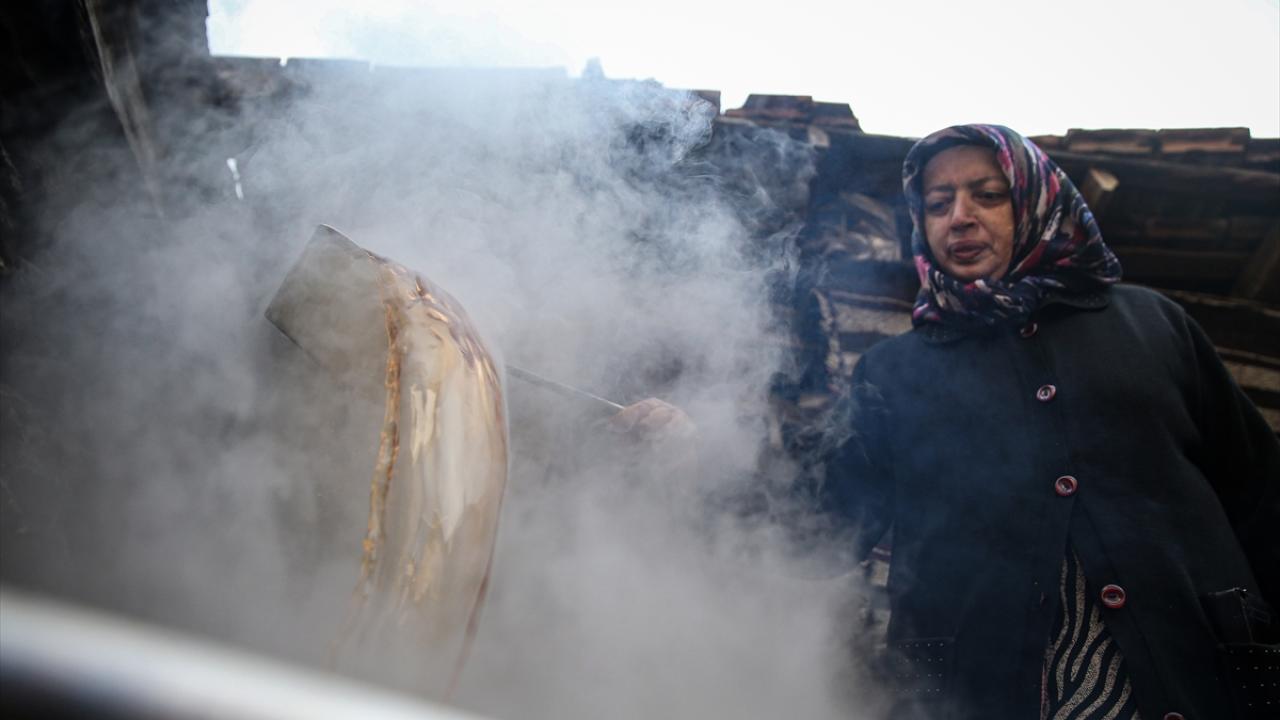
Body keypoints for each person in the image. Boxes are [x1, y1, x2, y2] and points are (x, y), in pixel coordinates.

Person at [816, 124, 1280, 719]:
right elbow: (823, 530)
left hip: (1198, 680)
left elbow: (1264, 501)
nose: (959, 218)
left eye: (988, 195)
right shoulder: (894, 371)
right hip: (969, 697)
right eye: (937, 204)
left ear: (1036, 200)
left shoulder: (1153, 325)